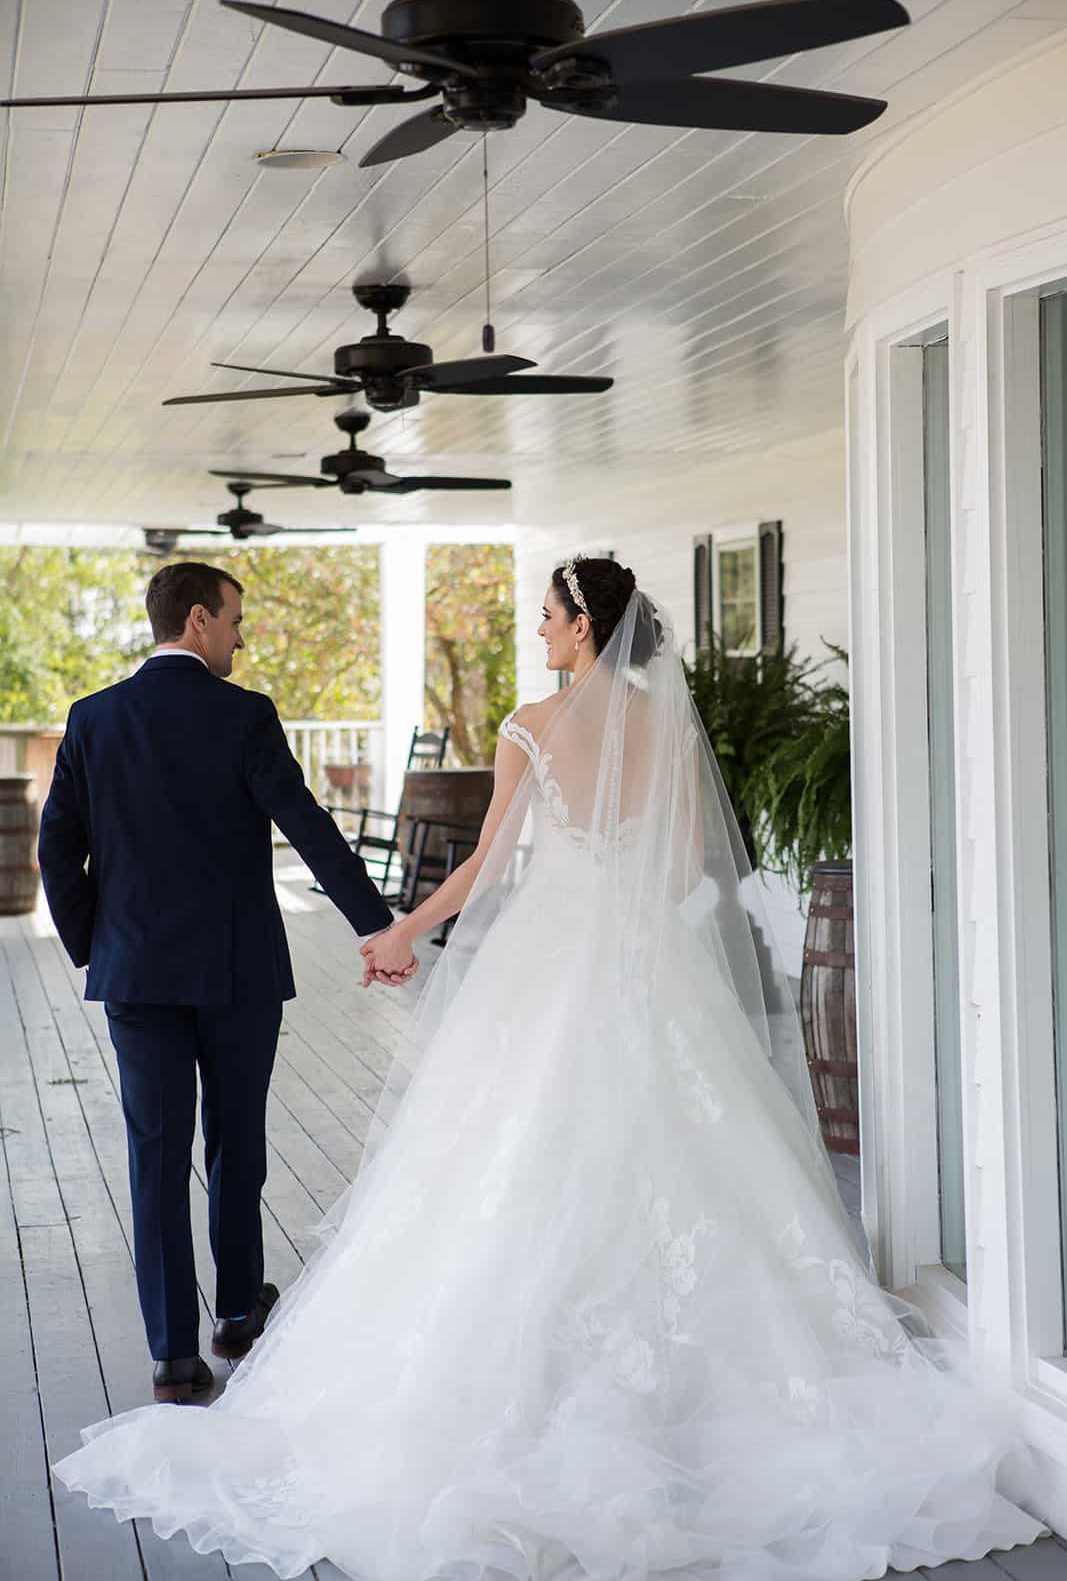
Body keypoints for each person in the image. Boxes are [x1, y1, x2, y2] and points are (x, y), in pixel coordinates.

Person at [53, 559, 1046, 1579]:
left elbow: (485, 862)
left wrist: (398, 929)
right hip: (644, 960)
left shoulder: (529, 722)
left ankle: (252, 1348)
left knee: (483, 1151)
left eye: (545, 616)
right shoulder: (667, 726)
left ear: (582, 625)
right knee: (684, 1147)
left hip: (525, 952)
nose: (536, 630)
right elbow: (680, 863)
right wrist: (612, 925)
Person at [37, 561, 416, 1405]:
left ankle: (174, 1355)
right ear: (201, 620)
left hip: (136, 972)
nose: (242, 636)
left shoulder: (93, 719)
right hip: (237, 972)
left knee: (155, 1157)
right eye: (237, 620)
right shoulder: (244, 716)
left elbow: (57, 849)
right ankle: (239, 1311)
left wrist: (96, 945)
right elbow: (307, 826)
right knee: (235, 1141)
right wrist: (376, 925)